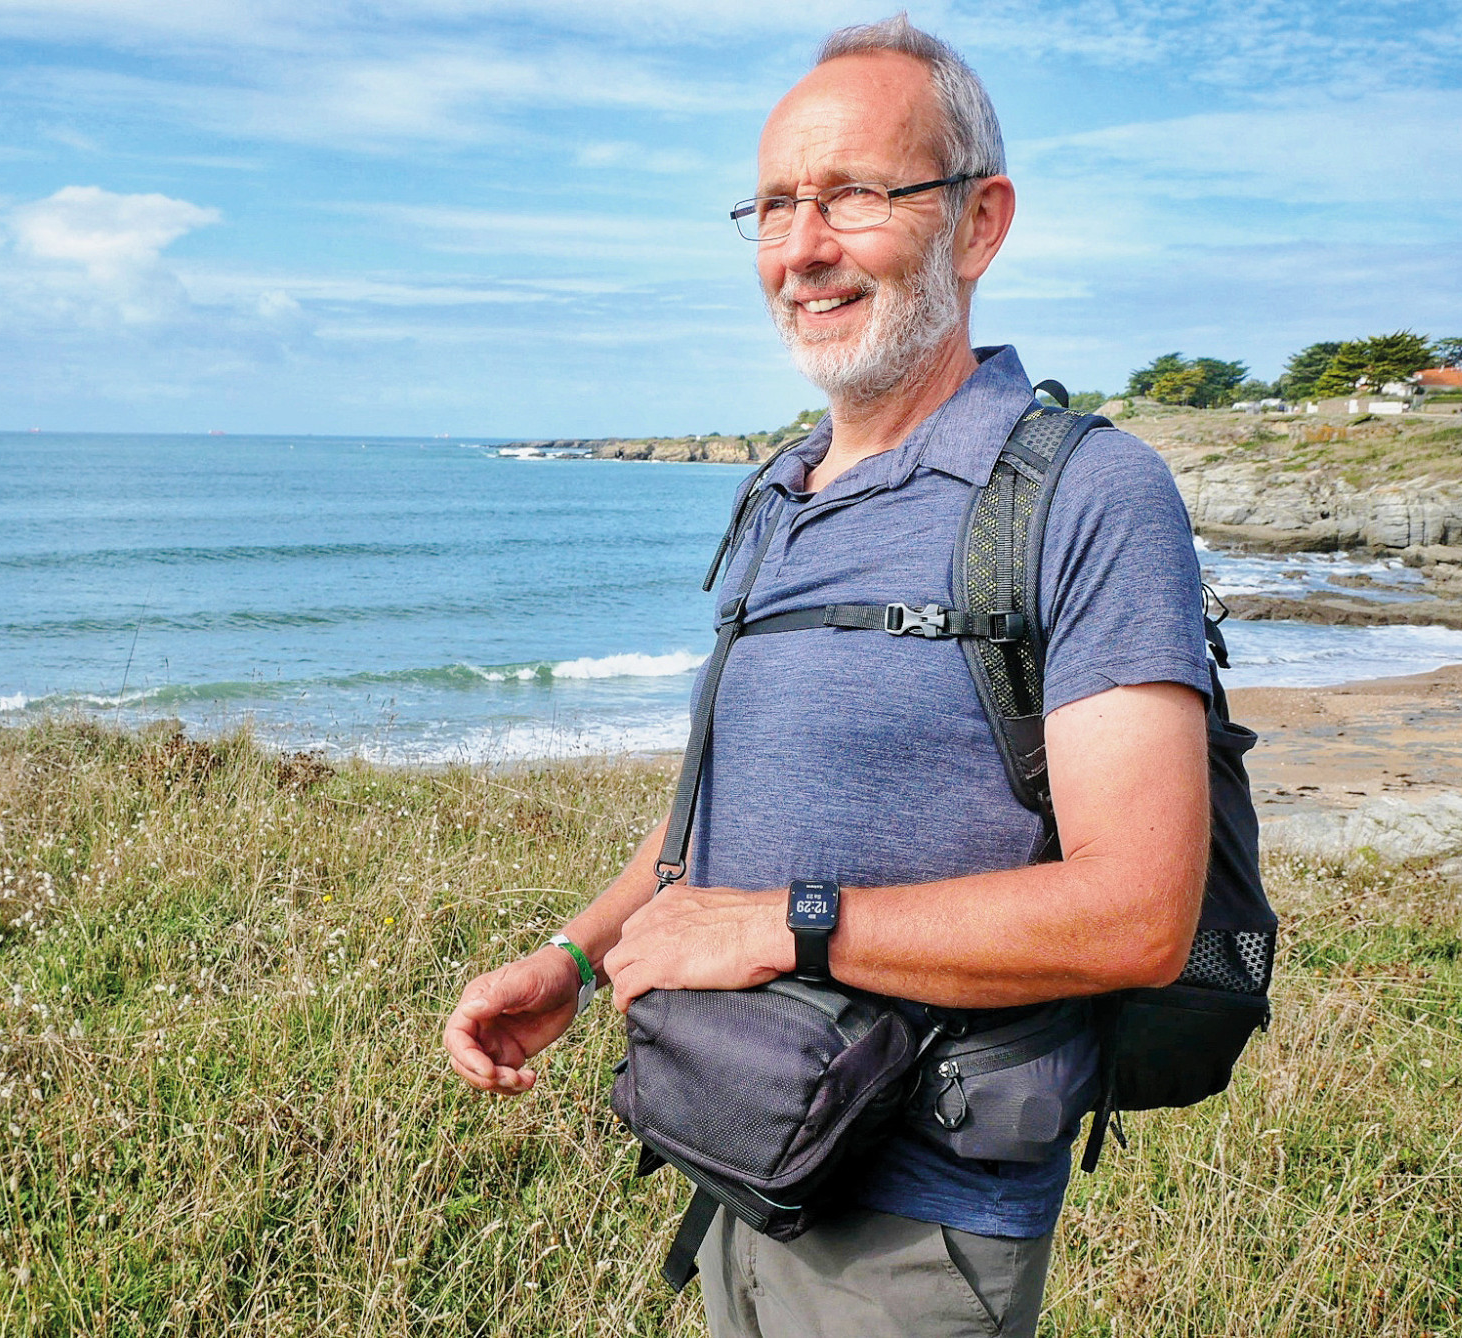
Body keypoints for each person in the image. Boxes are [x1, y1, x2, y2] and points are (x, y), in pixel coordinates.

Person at [443, 15, 1211, 1337]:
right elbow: (719, 815)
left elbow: (1137, 910)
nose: (800, 248)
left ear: (978, 222)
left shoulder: (1089, 495)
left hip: (915, 1231)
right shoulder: (781, 490)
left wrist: (785, 922)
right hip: (737, 1156)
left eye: (854, 194)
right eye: (776, 205)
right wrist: (578, 957)